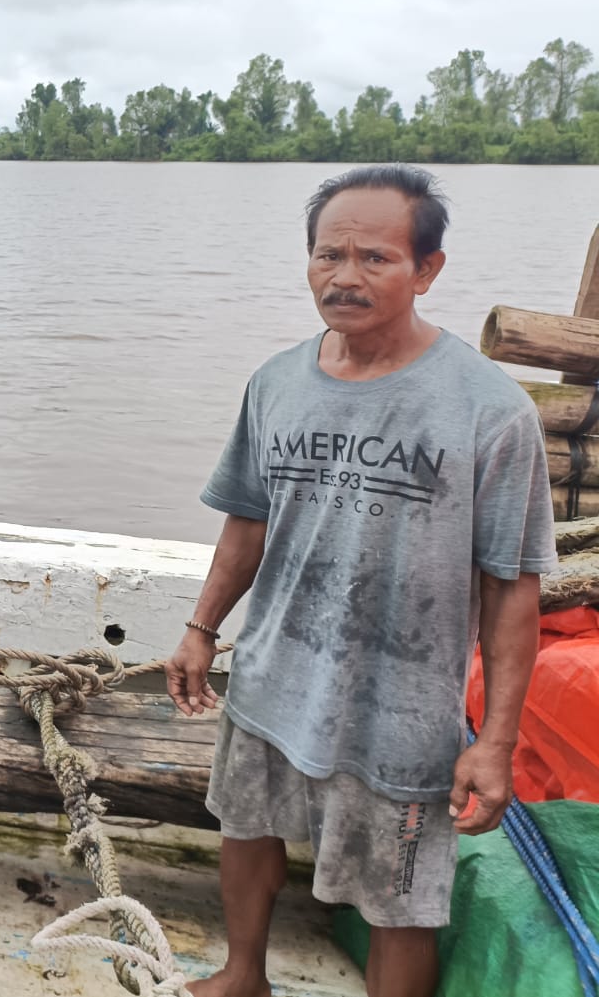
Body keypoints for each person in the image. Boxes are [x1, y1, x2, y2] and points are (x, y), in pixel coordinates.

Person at [164, 164, 554, 997]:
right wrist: (201, 626)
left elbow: (511, 587)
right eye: (327, 255)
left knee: (401, 899)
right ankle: (242, 975)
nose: (345, 277)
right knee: (246, 827)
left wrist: (495, 742)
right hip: (271, 675)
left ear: (428, 269)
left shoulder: (491, 409)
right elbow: (247, 519)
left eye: (375, 257)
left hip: (403, 710)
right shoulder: (274, 383)